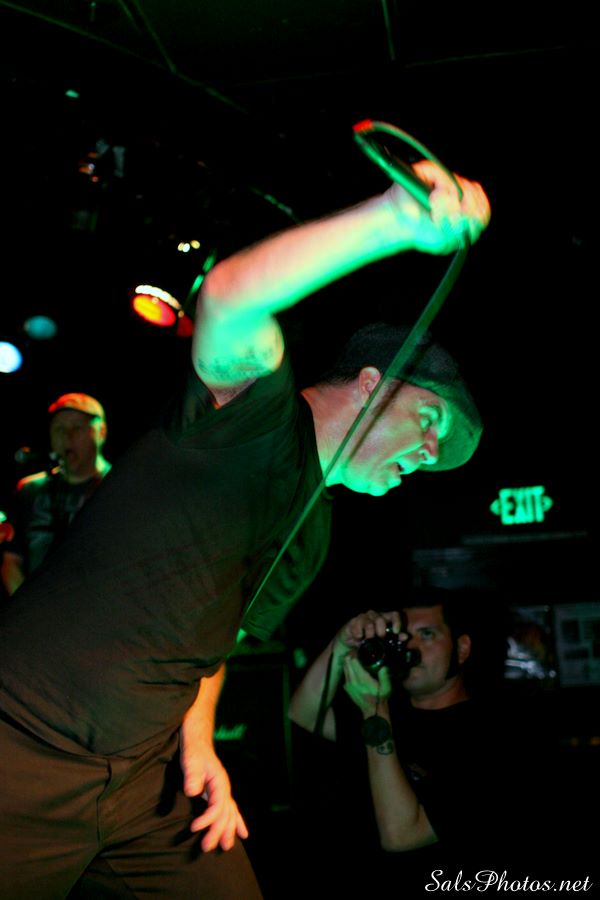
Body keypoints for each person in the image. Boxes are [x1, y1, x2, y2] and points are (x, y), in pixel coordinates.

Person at [0, 161, 490, 897]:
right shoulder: (256, 416)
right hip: (26, 745)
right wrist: (393, 220)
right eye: (429, 420)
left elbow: (218, 643)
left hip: (143, 783)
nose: (428, 451)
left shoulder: (315, 531)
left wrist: (199, 742)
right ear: (370, 385)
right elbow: (230, 296)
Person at [288, 591, 556, 895]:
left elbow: (401, 836)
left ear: (462, 649)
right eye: (404, 636)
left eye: (427, 634)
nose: (411, 646)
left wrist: (375, 712)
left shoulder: (496, 738)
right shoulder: (388, 711)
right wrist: (341, 643)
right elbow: (303, 713)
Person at [1, 392, 111, 596]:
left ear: (101, 432)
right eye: (59, 428)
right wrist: (30, 608)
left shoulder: (117, 485)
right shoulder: (30, 490)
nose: (67, 437)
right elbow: (11, 562)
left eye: (77, 427)